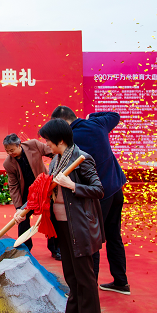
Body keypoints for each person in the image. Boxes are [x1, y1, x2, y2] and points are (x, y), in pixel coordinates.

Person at [34, 118, 105, 313]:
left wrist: (73, 186)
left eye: (49, 141)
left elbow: (98, 190)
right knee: (70, 274)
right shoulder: (56, 160)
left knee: (85, 276)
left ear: (61, 140)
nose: (47, 145)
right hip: (62, 224)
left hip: (80, 226)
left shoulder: (82, 159)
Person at [52, 106, 129, 295]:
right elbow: (114, 115)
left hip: (96, 195)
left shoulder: (71, 141)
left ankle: (88, 289)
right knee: (113, 236)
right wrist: (90, 116)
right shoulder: (97, 123)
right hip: (116, 188)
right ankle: (121, 281)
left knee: (90, 240)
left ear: (63, 123)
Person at [2, 133, 58, 258]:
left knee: (52, 216)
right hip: (28, 195)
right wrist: (18, 208)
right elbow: (14, 185)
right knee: (22, 219)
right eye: (7, 151)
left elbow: (54, 153)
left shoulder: (34, 145)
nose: (10, 153)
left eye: (12, 150)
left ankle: (55, 249)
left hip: (45, 188)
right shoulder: (8, 163)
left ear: (19, 145)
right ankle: (25, 248)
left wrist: (54, 172)